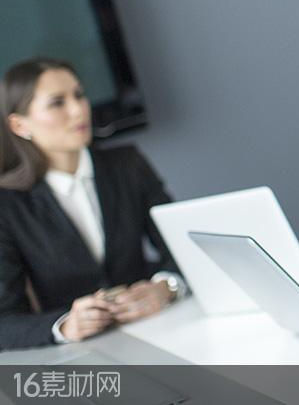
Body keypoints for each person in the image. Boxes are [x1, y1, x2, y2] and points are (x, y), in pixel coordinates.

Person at [0, 58, 183, 350]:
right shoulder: (7, 205)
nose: (78, 109)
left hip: (163, 329)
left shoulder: (128, 165)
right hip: (83, 356)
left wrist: (166, 287)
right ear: (19, 124)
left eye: (79, 95)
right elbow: (4, 321)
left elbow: (182, 249)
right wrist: (65, 325)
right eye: (57, 102)